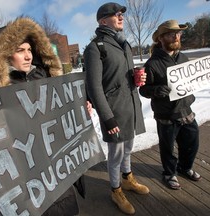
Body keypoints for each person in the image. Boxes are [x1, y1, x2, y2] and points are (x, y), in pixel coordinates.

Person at [0, 16, 92, 216]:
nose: (27, 56)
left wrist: (79, 113)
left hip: (61, 182)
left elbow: (62, 123)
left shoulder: (50, 81)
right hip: (29, 193)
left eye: (29, 50)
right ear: (4, 55)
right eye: (20, 50)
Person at [83, 2, 149, 215]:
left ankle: (127, 178)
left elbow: (123, 76)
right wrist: (107, 118)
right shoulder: (96, 48)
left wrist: (138, 78)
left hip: (130, 106)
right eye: (115, 15)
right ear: (103, 21)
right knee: (116, 154)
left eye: (121, 14)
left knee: (128, 147)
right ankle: (115, 190)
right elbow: (93, 87)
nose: (121, 17)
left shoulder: (124, 44)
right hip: (114, 111)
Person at [139, 20, 201, 190]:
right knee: (168, 149)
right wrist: (156, 90)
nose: (176, 36)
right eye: (170, 34)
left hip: (186, 110)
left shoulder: (184, 57)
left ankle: (185, 167)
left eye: (178, 33)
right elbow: (143, 90)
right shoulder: (152, 64)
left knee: (192, 143)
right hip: (166, 115)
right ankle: (169, 173)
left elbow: (193, 79)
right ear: (160, 38)